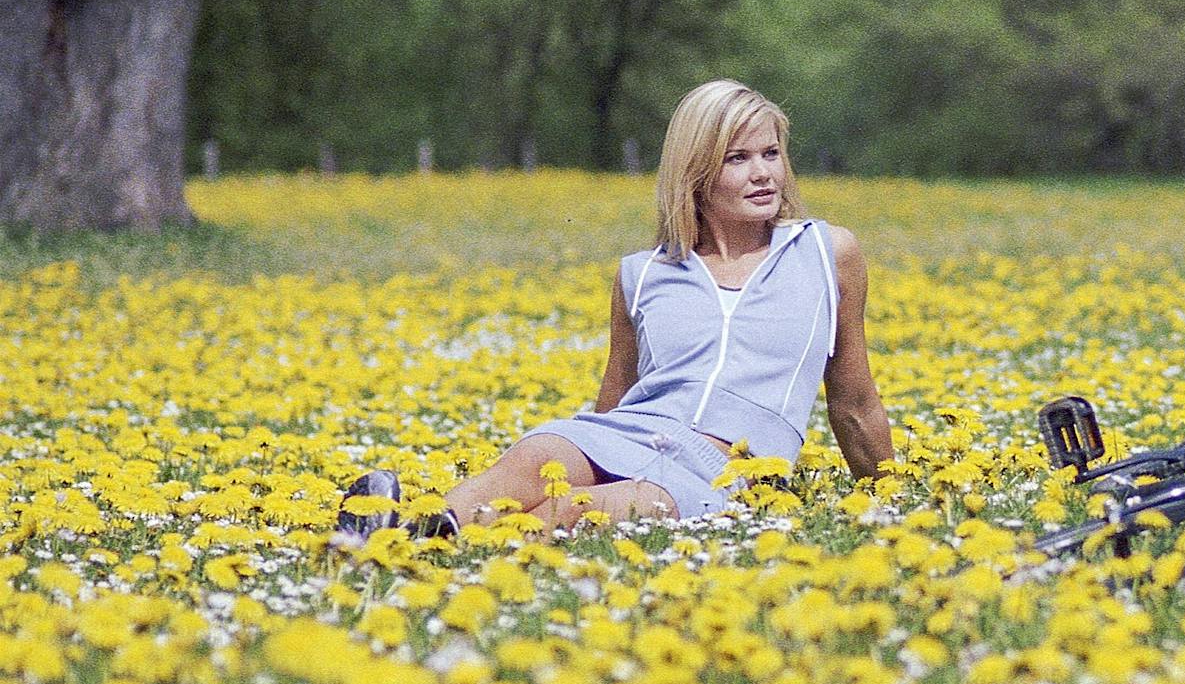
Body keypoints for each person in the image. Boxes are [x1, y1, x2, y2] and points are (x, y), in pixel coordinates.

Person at [331, 79, 893, 544]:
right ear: (696, 173)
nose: (763, 173)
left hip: (723, 470)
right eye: (738, 159)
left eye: (771, 154)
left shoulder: (827, 254)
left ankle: (429, 546)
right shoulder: (643, 273)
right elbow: (615, 399)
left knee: (582, 510)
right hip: (629, 432)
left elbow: (853, 397)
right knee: (536, 460)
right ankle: (392, 534)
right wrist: (578, 450)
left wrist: (890, 500)